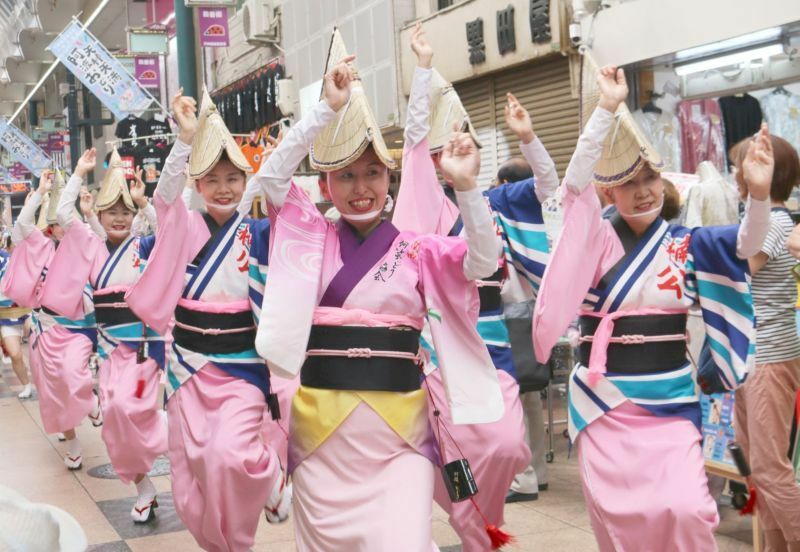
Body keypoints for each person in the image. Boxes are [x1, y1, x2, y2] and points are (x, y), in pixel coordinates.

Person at [253, 30, 503, 550]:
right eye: (345, 176)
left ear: (389, 178)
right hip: (321, 440)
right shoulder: (309, 237)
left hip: (400, 440)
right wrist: (324, 109)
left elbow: (483, 262)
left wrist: (468, 187)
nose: (361, 187)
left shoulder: (418, 248)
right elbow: (273, 180)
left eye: (373, 173)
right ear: (324, 186)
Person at [532, 59, 771, 551]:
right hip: (604, 401)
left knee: (687, 509)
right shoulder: (593, 239)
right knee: (621, 519)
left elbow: (748, 246)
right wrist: (604, 110)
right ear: (608, 191)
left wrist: (762, 196)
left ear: (664, 184)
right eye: (628, 183)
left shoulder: (686, 243)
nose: (642, 192)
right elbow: (571, 188)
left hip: (670, 402)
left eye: (650, 180)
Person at [390, 23, 552, 548]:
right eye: (439, 148)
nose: (447, 151)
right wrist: (421, 71)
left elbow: (555, 193)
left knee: (504, 449)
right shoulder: (415, 209)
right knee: (434, 454)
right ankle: (472, 532)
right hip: (433, 350)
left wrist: (529, 139)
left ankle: (481, 524)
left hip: (491, 345)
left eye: (458, 140)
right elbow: (413, 142)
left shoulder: (494, 201)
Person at [125, 88, 290, 552]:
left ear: (245, 181)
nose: (223, 188)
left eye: (232, 178)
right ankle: (223, 544)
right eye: (212, 179)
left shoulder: (256, 231)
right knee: (191, 475)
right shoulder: (184, 225)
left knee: (228, 455)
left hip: (240, 368)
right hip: (187, 368)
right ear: (198, 185)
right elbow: (163, 196)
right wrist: (185, 138)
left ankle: (267, 484)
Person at [40, 147, 168, 524]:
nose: (118, 218)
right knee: (115, 424)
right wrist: (78, 172)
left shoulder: (144, 247)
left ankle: (190, 434)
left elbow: (169, 231)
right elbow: (64, 214)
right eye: (111, 211)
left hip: (144, 352)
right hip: (110, 354)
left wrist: (145, 204)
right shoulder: (95, 250)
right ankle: (145, 491)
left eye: (124, 212)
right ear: (100, 213)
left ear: (132, 217)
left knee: (134, 411)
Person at [2, 169, 101, 470]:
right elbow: (21, 225)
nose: (59, 229)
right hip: (45, 328)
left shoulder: (84, 242)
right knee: (52, 393)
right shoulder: (40, 247)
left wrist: (79, 180)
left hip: (77, 327)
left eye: (62, 222)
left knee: (73, 374)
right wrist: (41, 192)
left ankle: (90, 401)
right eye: (54, 224)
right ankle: (72, 444)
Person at [730, 133, 800, 552]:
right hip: (752, 357)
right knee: (757, 470)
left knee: (770, 470)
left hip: (770, 357)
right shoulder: (764, 222)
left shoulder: (773, 223)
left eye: (740, 163)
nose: (736, 171)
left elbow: (740, 271)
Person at [0, 246, 32, 399]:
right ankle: (27, 385)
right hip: (5, 314)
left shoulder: (9, 257)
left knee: (39, 346)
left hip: (26, 307)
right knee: (15, 354)